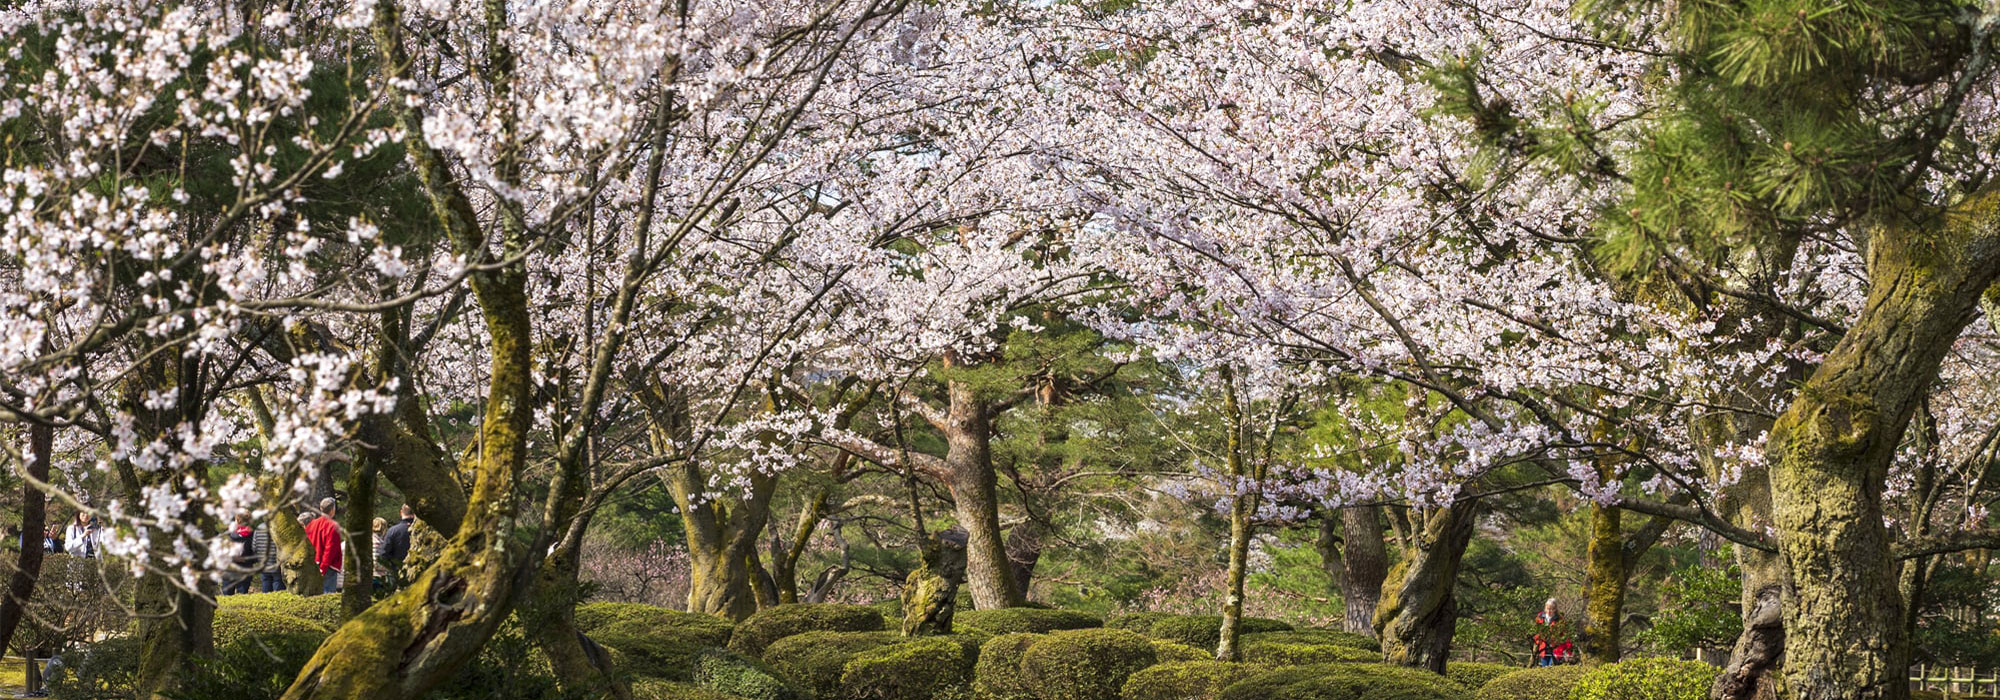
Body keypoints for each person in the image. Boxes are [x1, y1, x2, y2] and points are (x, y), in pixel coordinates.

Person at [303, 498, 344, 594]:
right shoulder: (333, 525)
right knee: (328, 595)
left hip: (313, 563)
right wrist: (323, 567)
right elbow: (330, 549)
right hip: (328, 566)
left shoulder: (311, 524)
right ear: (333, 509)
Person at [377, 504, 415, 592]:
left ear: (401, 512)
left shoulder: (393, 530)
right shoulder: (423, 529)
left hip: (398, 571)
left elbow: (383, 553)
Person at [1532, 597, 1575, 666]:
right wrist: (1537, 644)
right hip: (1544, 648)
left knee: (1553, 667)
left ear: (1555, 609)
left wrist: (1568, 652)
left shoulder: (1560, 619)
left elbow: (1566, 635)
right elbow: (1536, 632)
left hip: (1556, 649)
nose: (1549, 611)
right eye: (1548, 609)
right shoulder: (1540, 617)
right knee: (1544, 668)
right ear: (1545, 608)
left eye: (1551, 609)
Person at [222, 514, 256, 595]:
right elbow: (257, 551)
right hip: (245, 566)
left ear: (237, 520)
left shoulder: (227, 533)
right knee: (242, 595)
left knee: (227, 596)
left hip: (229, 567)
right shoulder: (253, 534)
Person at [252, 518, 283, 592]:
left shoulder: (259, 528)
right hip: (276, 562)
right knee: (278, 582)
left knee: (266, 583)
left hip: (263, 562)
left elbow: (254, 546)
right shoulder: (278, 528)